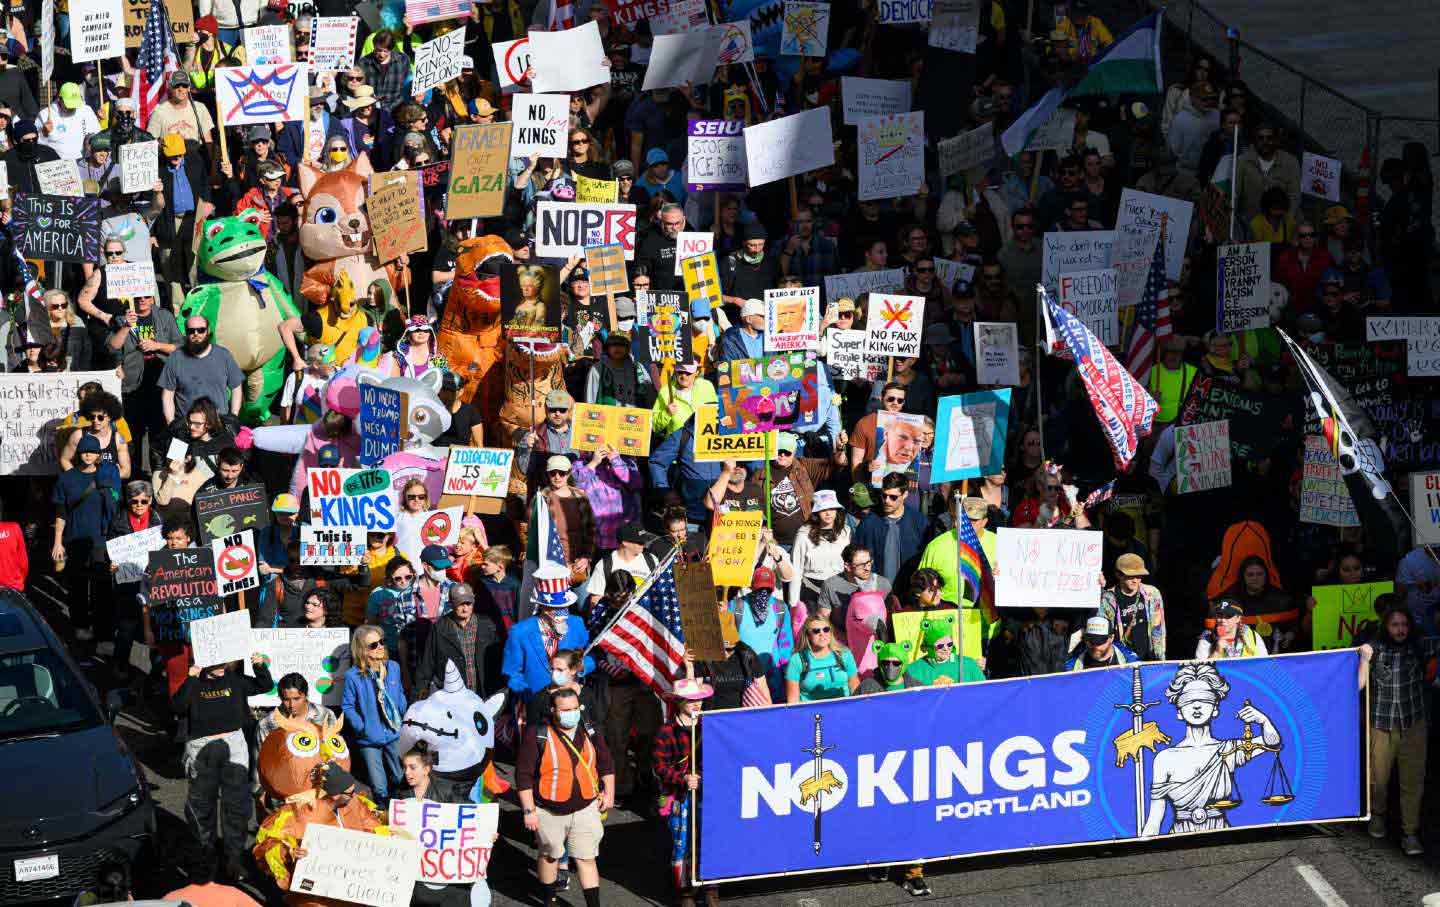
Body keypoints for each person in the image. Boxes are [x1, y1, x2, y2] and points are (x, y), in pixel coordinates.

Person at [1140, 662, 1280, 837]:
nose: (1197, 706)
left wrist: (1263, 720)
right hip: (1179, 838)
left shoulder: (1228, 750)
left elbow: (1272, 742)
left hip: (1221, 834)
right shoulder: (1164, 759)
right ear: (1179, 711)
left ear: (1215, 709)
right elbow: (1155, 818)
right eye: (1189, 700)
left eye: (1205, 699)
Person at [173, 653, 274, 881]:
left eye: (224, 662)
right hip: (200, 744)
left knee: (236, 804)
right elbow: (177, 706)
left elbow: (265, 685)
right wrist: (190, 678)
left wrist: (258, 664)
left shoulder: (234, 680)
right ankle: (206, 858)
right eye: (216, 662)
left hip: (233, 742)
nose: (221, 666)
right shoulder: (195, 681)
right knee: (202, 805)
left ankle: (233, 859)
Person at [516, 686, 616, 907]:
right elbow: (523, 775)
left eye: (575, 708)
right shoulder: (537, 733)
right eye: (565, 709)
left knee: (586, 858)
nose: (572, 713)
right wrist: (529, 810)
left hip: (586, 808)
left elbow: (606, 762)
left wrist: (609, 792)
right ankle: (550, 899)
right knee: (550, 856)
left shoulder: (590, 729)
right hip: (548, 810)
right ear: (553, 710)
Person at [1360, 606, 1440, 856]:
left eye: (1404, 624)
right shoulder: (1374, 649)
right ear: (1386, 626)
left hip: (1413, 725)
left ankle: (1410, 833)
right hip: (1381, 724)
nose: (1400, 629)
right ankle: (1379, 816)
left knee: (1412, 781)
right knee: (1378, 780)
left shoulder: (1420, 646)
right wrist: (1364, 659)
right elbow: (1359, 685)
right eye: (1395, 625)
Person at [651, 677, 715, 907]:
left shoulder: (711, 726)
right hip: (678, 796)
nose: (696, 704)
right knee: (682, 841)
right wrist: (682, 778)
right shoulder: (666, 731)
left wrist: (702, 777)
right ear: (679, 702)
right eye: (690, 700)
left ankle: (710, 887)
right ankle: (685, 891)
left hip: (706, 793)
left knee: (708, 837)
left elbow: (720, 759)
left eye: (699, 700)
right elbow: (659, 767)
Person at [52, 433, 121, 644]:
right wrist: (57, 541)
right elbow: (61, 512)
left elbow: (116, 507)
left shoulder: (107, 476)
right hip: (74, 540)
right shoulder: (66, 478)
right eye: (84, 451)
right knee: (78, 588)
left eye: (92, 451)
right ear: (78, 453)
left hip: (101, 541)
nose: (88, 455)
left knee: (102, 591)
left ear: (99, 454)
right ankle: (81, 625)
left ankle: (104, 634)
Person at [341, 624, 408, 802]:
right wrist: (360, 726)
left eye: (382, 642)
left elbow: (400, 692)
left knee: (400, 776)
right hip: (369, 738)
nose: (380, 647)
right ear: (362, 650)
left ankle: (402, 809)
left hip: (394, 732)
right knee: (378, 785)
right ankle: (382, 812)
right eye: (373, 645)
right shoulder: (352, 676)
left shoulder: (393, 667)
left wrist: (402, 709)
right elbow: (347, 706)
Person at [413, 583, 503, 701]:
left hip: (484, 695)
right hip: (453, 699)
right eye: (460, 604)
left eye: (468, 603)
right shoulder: (439, 628)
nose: (465, 608)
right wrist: (419, 696)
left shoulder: (487, 625)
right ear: (451, 604)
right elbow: (426, 665)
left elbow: (499, 663)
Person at [853, 473, 926, 584]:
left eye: (893, 497)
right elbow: (856, 555)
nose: (887, 500)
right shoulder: (868, 523)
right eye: (884, 495)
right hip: (875, 589)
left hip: (908, 590)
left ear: (905, 494)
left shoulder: (919, 522)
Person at [1098, 553, 1167, 661]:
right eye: (1130, 576)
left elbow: (1158, 627)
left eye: (1139, 576)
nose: (1135, 580)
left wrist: (1160, 658)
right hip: (1122, 660)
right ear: (1118, 574)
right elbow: (1104, 633)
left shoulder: (1152, 594)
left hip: (1147, 658)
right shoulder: (1109, 598)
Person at [785, 616, 859, 702]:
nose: (822, 633)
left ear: (831, 632)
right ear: (808, 635)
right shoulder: (797, 659)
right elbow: (793, 700)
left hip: (843, 707)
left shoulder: (845, 654)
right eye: (816, 631)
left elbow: (855, 687)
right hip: (812, 712)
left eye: (826, 629)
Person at [255, 672, 337, 746]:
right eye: (286, 700)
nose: (292, 705)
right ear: (280, 697)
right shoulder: (267, 723)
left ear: (306, 695)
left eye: (297, 699)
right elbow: (264, 758)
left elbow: (335, 749)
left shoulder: (326, 715)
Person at [904, 617, 985, 686]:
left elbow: (984, 692)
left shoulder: (968, 664)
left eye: (949, 644)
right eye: (940, 646)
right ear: (929, 646)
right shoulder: (914, 670)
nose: (946, 649)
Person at [1065, 616, 1137, 670]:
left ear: (1111, 638)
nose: (1095, 647)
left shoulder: (1130, 662)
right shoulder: (1072, 664)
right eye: (1091, 642)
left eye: (1100, 642)